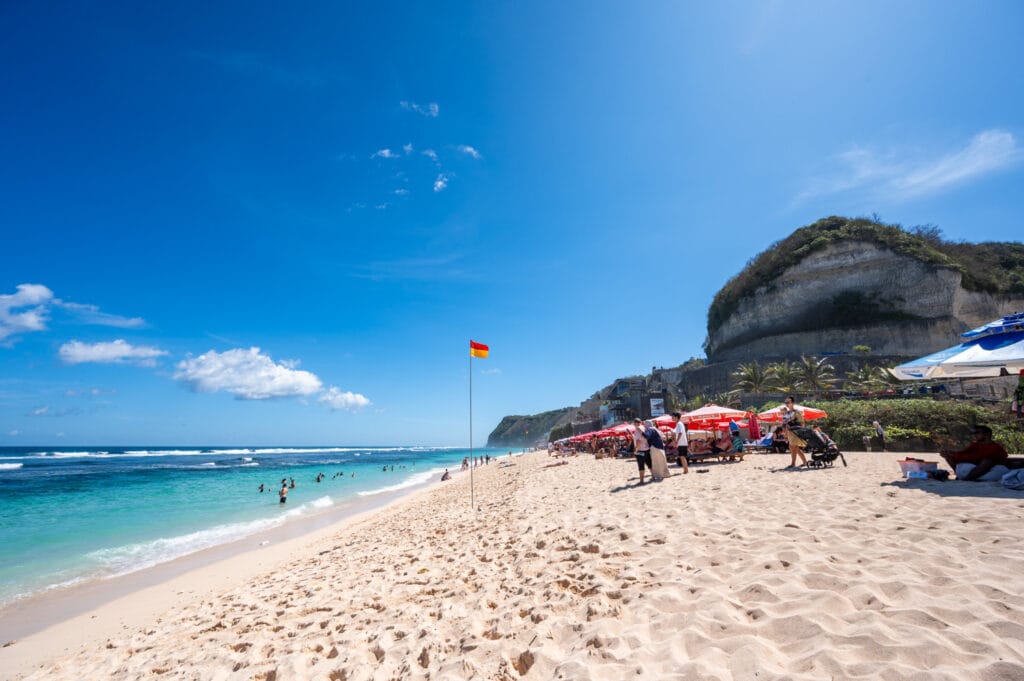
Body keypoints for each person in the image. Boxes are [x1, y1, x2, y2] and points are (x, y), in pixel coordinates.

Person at [940, 425, 1009, 481]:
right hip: (977, 468)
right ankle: (962, 476)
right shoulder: (975, 445)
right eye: (974, 433)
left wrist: (955, 455)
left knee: (987, 462)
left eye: (977, 433)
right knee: (949, 456)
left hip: (992, 471)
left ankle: (967, 479)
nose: (975, 435)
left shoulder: (995, 447)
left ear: (986, 434)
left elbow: (977, 457)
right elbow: (964, 453)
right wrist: (950, 453)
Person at [781, 396, 807, 467]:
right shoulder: (787, 413)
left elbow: (802, 422)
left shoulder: (796, 412)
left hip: (796, 431)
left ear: (792, 403)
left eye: (788, 402)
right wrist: (785, 433)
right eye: (786, 402)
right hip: (790, 432)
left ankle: (793, 463)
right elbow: (785, 423)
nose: (787, 404)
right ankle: (804, 462)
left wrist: (801, 432)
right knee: (795, 448)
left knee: (792, 447)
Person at [631, 418, 653, 484]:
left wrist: (636, 450)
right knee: (649, 464)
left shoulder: (637, 429)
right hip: (647, 449)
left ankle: (641, 480)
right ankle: (653, 476)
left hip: (640, 450)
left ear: (635, 423)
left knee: (641, 465)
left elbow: (638, 441)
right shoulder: (645, 428)